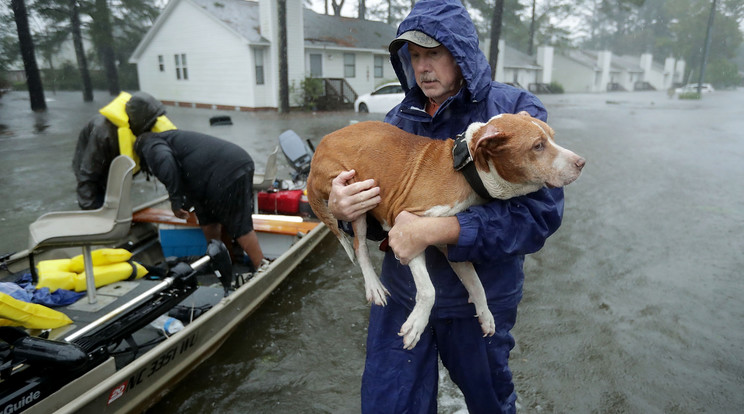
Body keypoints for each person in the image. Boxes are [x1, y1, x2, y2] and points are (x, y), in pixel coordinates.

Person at [328, 0, 565, 413]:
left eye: (433, 53)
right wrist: (344, 210)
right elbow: (386, 222)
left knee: (488, 401)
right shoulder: (397, 122)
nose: (422, 67)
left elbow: (538, 216)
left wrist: (444, 230)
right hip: (405, 294)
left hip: (479, 301)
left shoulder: (513, 114)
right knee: (389, 404)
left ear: (461, 54)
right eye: (414, 56)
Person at [133, 129, 265, 270]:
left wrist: (176, 202)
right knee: (208, 220)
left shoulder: (149, 146)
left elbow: (166, 161)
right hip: (216, 173)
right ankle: (222, 262)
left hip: (226, 169)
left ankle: (262, 268)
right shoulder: (168, 138)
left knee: (238, 223)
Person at [72, 91, 168, 210]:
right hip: (90, 163)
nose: (153, 126)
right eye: (150, 122)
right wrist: (91, 212)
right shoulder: (103, 133)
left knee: (117, 197)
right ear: (138, 120)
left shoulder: (138, 127)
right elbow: (87, 174)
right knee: (97, 194)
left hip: (113, 156)